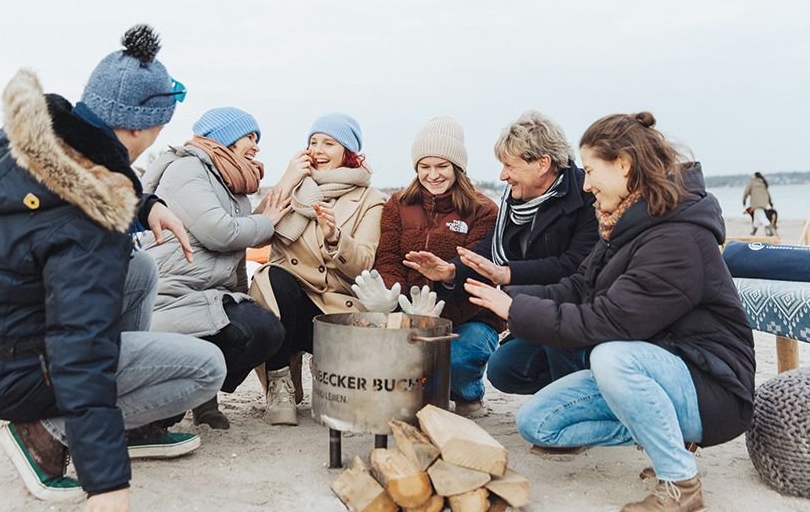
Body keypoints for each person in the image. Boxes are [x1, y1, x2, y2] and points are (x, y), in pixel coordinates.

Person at [0, 26, 227, 512]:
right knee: (208, 367)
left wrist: (146, 206)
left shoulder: (28, 144)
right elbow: (80, 346)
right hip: (15, 374)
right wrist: (106, 481)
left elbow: (73, 179)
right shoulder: (88, 218)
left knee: (140, 270)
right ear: (141, 128)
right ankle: (47, 433)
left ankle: (124, 423)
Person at [464, 112, 755, 512]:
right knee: (538, 424)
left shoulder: (677, 239)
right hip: (654, 370)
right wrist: (507, 297)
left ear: (623, 165)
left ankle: (681, 483)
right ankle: (664, 432)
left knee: (611, 355)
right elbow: (579, 286)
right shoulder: (626, 222)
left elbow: (606, 321)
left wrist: (517, 311)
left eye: (590, 171)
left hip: (710, 385)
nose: (585, 185)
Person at [403, 111, 598, 401]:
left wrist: (508, 274)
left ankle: (578, 396)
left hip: (578, 314)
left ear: (542, 164)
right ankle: (573, 387)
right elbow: (489, 251)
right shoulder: (515, 203)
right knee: (504, 370)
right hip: (532, 309)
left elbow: (574, 264)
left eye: (509, 166)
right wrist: (451, 271)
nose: (502, 176)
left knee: (559, 340)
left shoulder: (586, 196)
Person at [142, 107, 290, 429]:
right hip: (172, 295)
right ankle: (169, 404)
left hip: (208, 296)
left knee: (264, 329)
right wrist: (267, 222)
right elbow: (220, 232)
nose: (256, 146)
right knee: (246, 329)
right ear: (226, 137)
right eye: (250, 137)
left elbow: (235, 259)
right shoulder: (186, 169)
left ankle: (203, 396)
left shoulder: (232, 188)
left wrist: (245, 301)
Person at [249, 113, 387, 425]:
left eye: (329, 143)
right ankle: (280, 382)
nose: (318, 150)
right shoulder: (294, 188)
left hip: (334, 303)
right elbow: (255, 232)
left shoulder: (370, 199)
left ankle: (323, 365)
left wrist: (335, 237)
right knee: (273, 278)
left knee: (340, 403)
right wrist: (287, 180)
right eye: (313, 142)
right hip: (287, 300)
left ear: (347, 152)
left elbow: (364, 263)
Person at [356, 116, 499, 415]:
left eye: (441, 166)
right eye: (424, 166)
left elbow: (480, 272)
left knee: (456, 358)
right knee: (385, 358)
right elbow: (389, 258)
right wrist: (391, 295)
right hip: (410, 310)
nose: (432, 175)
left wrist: (442, 297)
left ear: (457, 167)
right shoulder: (397, 204)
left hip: (468, 317)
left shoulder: (483, 210)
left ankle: (468, 393)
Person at [742, 172, 775, 236]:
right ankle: (753, 232)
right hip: (763, 203)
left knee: (762, 217)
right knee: (756, 217)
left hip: (755, 203)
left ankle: (771, 230)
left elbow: (746, 192)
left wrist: (744, 201)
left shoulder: (752, 182)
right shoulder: (763, 183)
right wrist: (771, 203)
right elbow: (768, 194)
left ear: (755, 176)